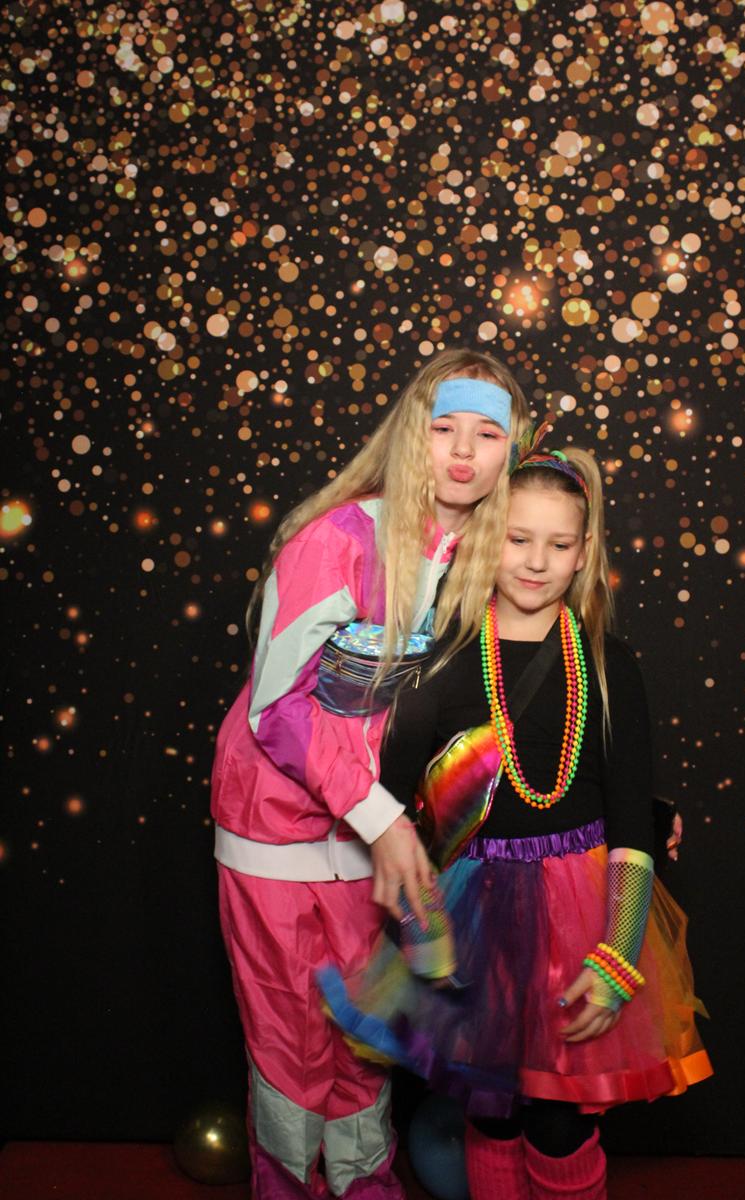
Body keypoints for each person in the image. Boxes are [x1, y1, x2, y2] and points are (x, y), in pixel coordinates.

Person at [318, 431, 712, 1200]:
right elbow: (400, 813)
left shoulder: (610, 664)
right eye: (517, 538)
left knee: (559, 1122)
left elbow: (630, 826)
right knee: (491, 1116)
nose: (536, 561)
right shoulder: (441, 661)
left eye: (558, 544)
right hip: (475, 922)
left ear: (584, 552)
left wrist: (620, 955)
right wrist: (424, 930)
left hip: (582, 923)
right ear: (484, 538)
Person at [210, 348, 531, 1200]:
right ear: (409, 436)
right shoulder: (337, 539)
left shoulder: (481, 557)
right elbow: (277, 709)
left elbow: (512, 701)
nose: (462, 451)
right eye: (444, 427)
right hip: (277, 829)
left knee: (362, 1037)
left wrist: (634, 807)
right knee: (287, 1040)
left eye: (487, 433)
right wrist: (382, 817)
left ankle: (365, 1187)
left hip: (372, 834)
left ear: (512, 449)